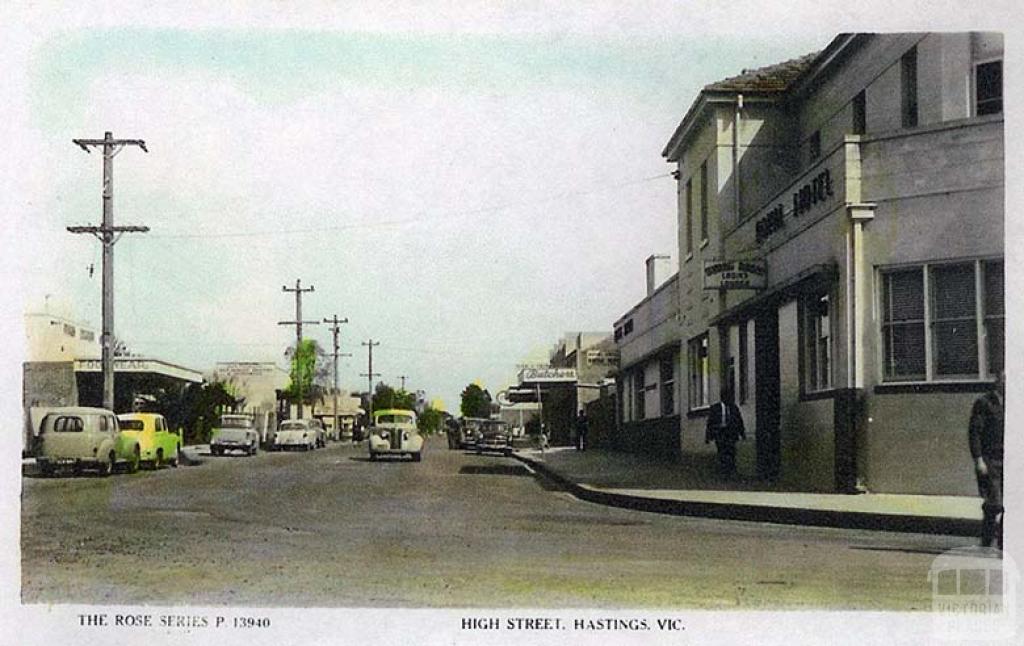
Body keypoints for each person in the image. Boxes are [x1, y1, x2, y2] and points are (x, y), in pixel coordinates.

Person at [969, 370, 1004, 548]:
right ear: (997, 381)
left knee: (1011, 504)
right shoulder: (984, 403)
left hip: (1010, 460)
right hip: (990, 460)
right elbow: (975, 433)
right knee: (995, 503)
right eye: (1004, 379)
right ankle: (986, 541)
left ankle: (1004, 544)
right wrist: (978, 460)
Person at [705, 386, 745, 478]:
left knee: (731, 452)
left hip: (731, 433)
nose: (728, 398)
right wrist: (708, 437)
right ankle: (723, 472)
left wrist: (742, 433)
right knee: (722, 452)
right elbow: (710, 422)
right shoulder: (715, 408)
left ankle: (730, 471)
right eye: (726, 396)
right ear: (722, 397)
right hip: (720, 433)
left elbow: (739, 420)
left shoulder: (734, 408)